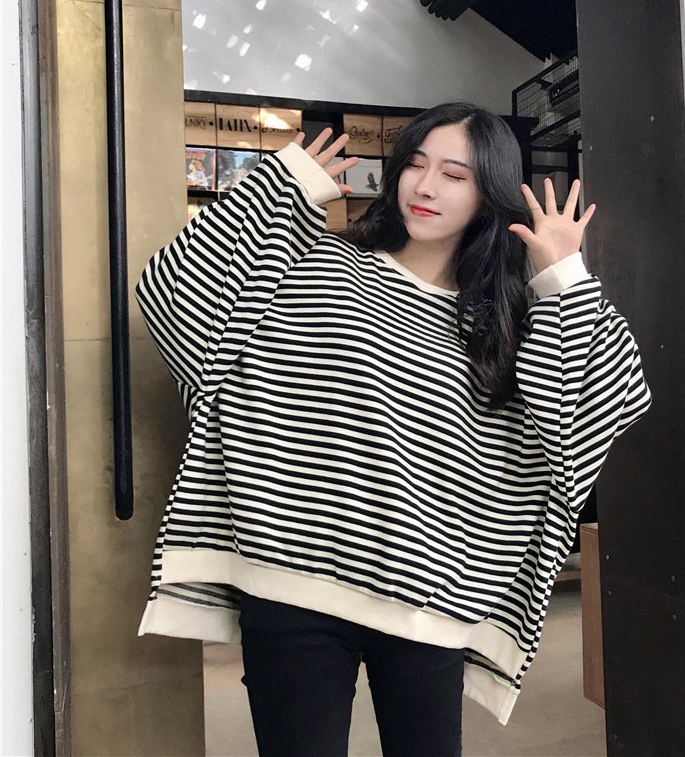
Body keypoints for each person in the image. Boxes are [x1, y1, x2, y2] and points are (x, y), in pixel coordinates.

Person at [135, 101, 652, 756]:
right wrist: (279, 185)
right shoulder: (321, 266)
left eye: (455, 175)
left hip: (431, 597)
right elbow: (175, 298)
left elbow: (593, 414)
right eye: (415, 164)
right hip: (292, 582)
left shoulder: (506, 318)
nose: (426, 186)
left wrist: (563, 277)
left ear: (489, 194)